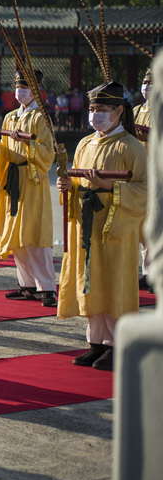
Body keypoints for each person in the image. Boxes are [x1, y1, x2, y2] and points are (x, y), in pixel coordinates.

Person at [56, 81, 147, 372]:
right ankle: (96, 340)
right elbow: (79, 179)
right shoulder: (84, 143)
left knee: (114, 282)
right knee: (90, 281)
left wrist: (111, 186)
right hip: (88, 222)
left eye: (103, 110)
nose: (95, 115)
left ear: (119, 111)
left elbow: (146, 190)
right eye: (92, 109)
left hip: (115, 225)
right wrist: (69, 186)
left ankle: (117, 345)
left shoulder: (131, 146)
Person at [0, 70, 57, 308]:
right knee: (15, 233)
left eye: (25, 87)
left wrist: (29, 143)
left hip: (32, 178)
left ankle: (46, 287)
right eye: (17, 87)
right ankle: (26, 284)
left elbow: (48, 152)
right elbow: (4, 151)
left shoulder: (40, 117)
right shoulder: (10, 117)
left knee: (33, 233)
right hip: (13, 177)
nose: (20, 91)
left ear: (35, 90)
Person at [134, 70, 152, 290]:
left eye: (152, 82)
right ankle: (147, 272)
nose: (147, 85)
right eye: (145, 81)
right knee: (141, 227)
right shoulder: (136, 111)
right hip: (139, 175)